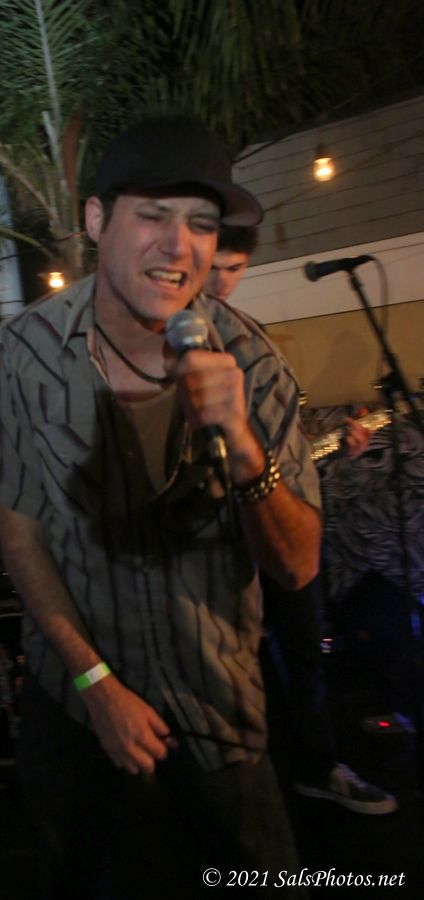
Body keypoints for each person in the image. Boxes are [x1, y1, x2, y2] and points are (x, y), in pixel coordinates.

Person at [0, 116, 322, 899]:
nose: (179, 245)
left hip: (217, 704)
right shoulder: (25, 354)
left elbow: (298, 566)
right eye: (153, 215)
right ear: (97, 220)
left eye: (200, 223)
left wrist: (245, 448)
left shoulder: (254, 363)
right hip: (73, 702)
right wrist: (95, 683)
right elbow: (20, 535)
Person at [204, 224, 398, 815]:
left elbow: (289, 447)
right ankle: (273, 778)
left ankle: (312, 767)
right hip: (233, 533)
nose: (223, 281)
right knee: (256, 659)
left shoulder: (250, 336)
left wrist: (340, 446)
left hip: (288, 521)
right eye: (215, 267)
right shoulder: (192, 342)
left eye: (235, 268)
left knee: (304, 651)